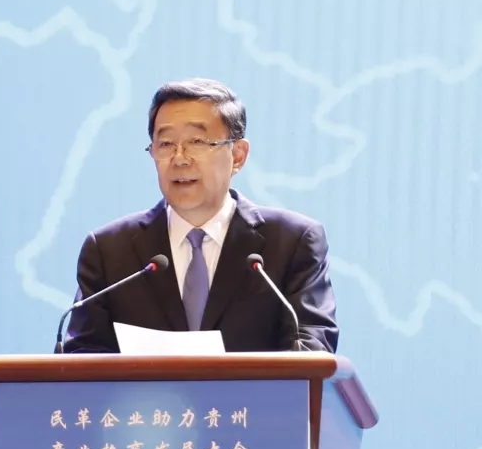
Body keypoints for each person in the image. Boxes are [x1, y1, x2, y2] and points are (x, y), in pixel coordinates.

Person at [60, 78, 339, 354]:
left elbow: (312, 349)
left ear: (238, 155)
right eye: (166, 144)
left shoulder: (292, 243)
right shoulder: (109, 250)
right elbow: (81, 358)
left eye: (197, 141)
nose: (180, 158)